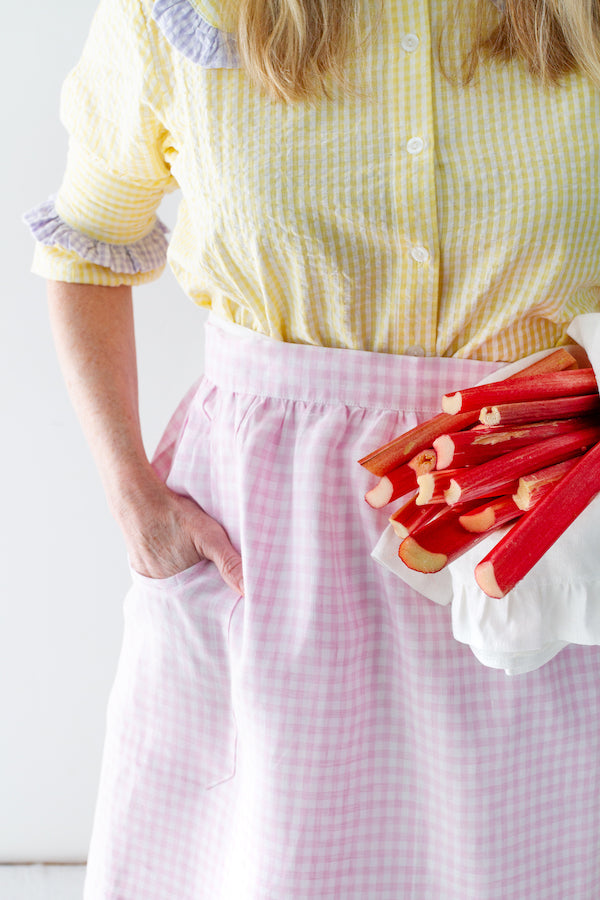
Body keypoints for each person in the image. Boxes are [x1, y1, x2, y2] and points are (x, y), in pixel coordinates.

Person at [25, 0, 600, 896]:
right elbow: (87, 248)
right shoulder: (181, 15)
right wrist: (133, 499)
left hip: (517, 513)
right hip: (263, 528)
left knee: (517, 860)